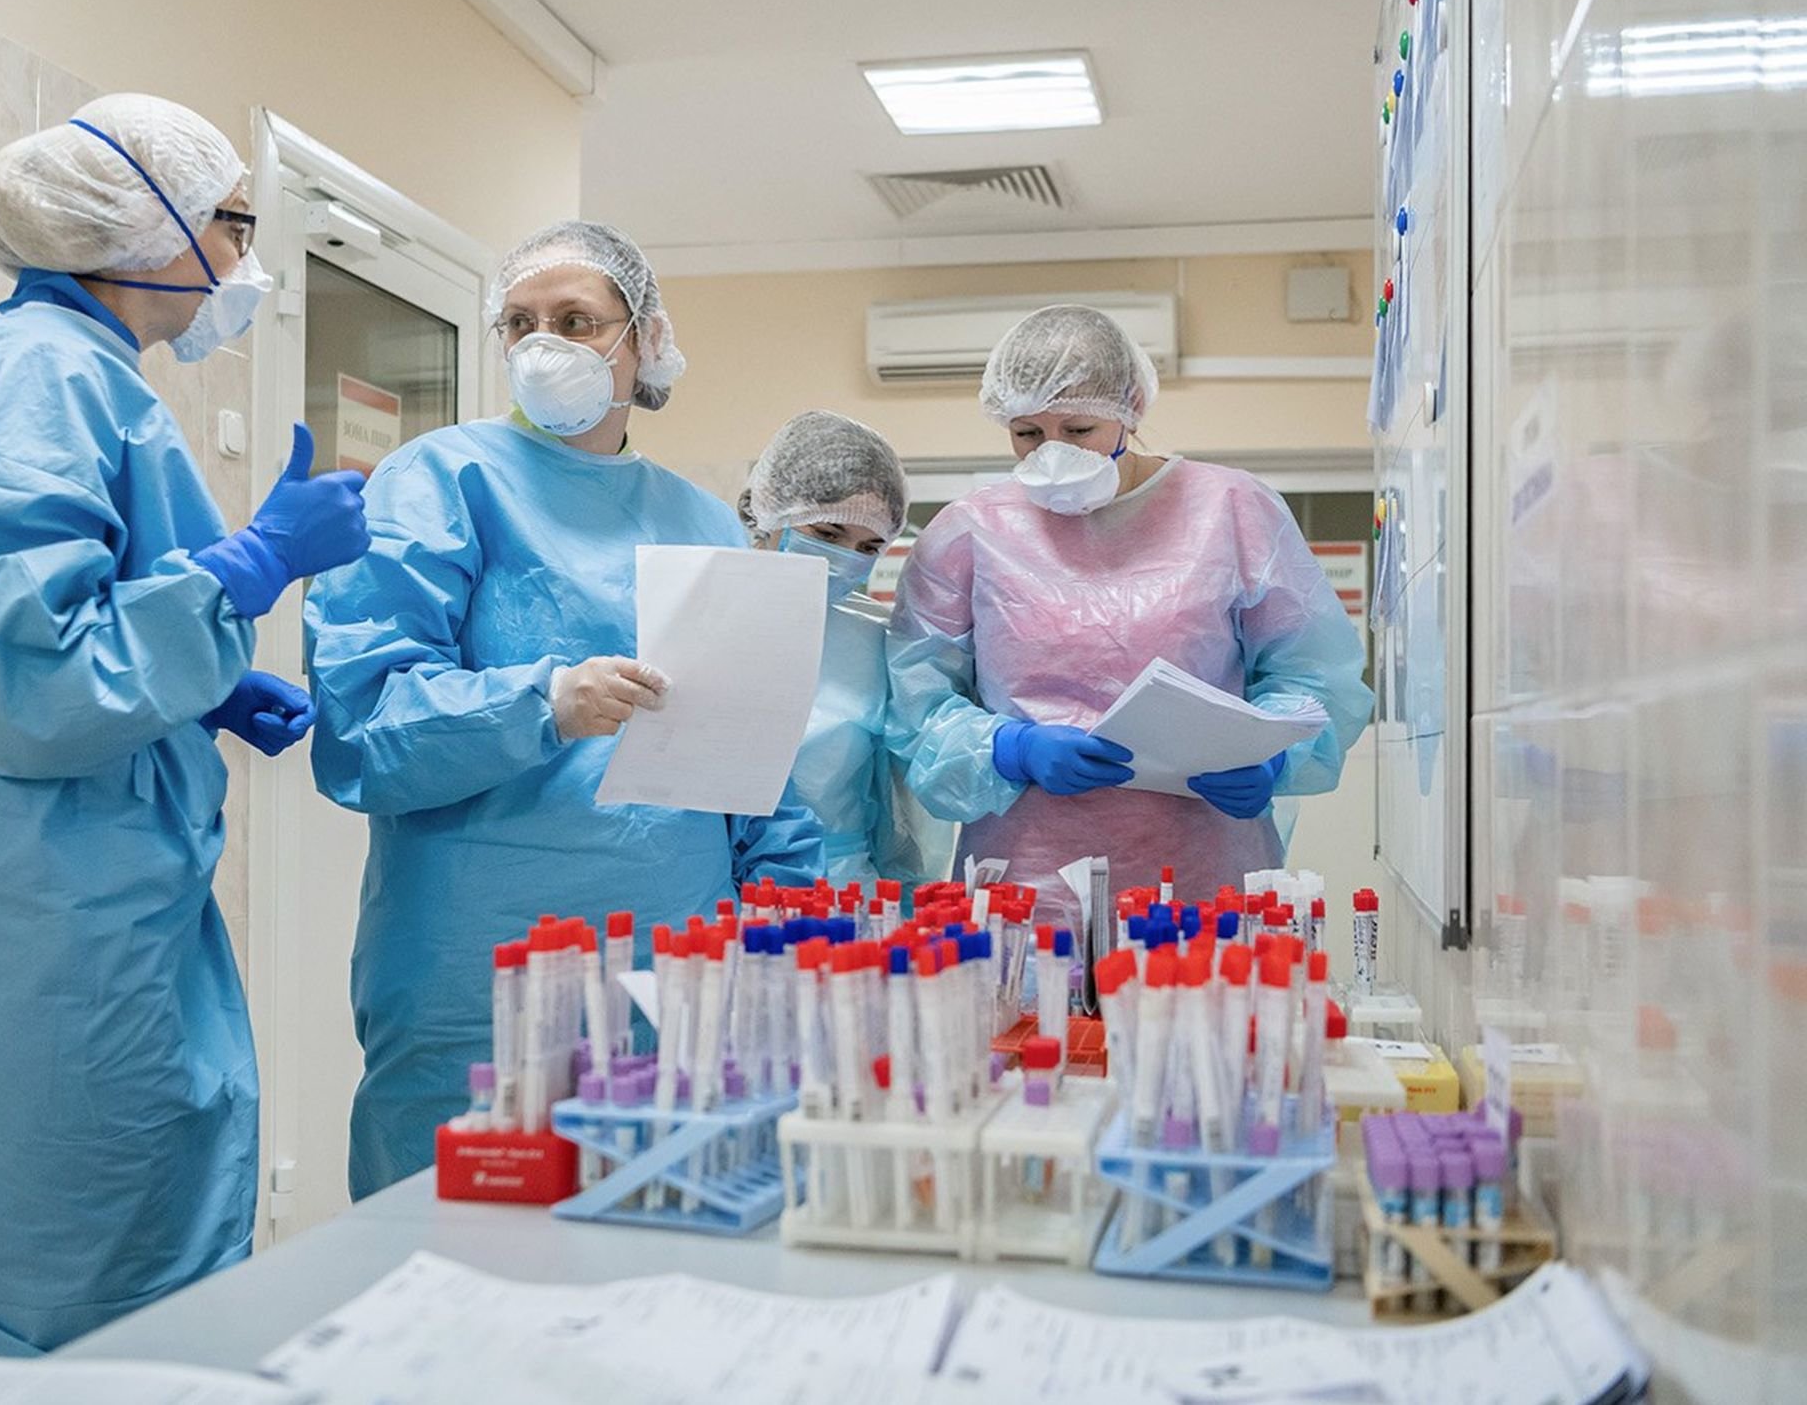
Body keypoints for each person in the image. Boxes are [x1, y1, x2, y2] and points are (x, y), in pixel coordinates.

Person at [0, 94, 371, 1365]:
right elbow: (24, 675)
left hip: (89, 870)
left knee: (128, 1214)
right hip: (49, 892)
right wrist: (251, 568)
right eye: (234, 223)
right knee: (64, 1247)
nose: (245, 259)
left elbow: (68, 618)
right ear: (150, 228)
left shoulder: (84, 376)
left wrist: (204, 685)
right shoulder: (41, 375)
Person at [307, 221, 825, 1197]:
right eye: (520, 322)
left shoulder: (703, 521)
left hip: (673, 966)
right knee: (452, 1242)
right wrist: (543, 702)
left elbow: (754, 759)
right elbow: (362, 729)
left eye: (576, 321)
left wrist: (782, 914)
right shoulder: (439, 481)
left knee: (656, 1229)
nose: (543, 343)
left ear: (644, 340)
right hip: (479, 967)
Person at [887, 304, 1372, 914]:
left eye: (1079, 429)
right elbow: (917, 704)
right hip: (1028, 884)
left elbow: (1315, 675)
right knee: (1032, 982)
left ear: (1132, 407)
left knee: (1197, 979)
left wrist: (1274, 759)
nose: (1052, 453)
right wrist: (1009, 749)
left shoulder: (1231, 509)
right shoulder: (969, 532)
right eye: (1027, 434)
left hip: (1202, 867)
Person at [738, 410, 952, 894]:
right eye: (828, 535)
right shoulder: (704, 614)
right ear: (767, 513)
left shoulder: (875, 639)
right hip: (714, 883)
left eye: (868, 547)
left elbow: (903, 806)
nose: (845, 559)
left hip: (844, 887)